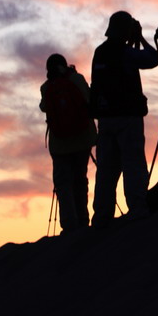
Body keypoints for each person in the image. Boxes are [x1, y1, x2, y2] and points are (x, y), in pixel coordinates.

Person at [91, 11, 158, 227]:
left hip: (105, 120)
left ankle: (102, 217)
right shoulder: (125, 52)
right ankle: (138, 210)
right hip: (127, 118)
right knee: (133, 165)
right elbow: (152, 59)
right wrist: (140, 39)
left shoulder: (100, 52)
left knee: (106, 172)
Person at [39, 53, 97, 233]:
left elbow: (43, 107)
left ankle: (69, 225)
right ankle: (83, 221)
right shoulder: (77, 79)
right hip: (82, 140)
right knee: (80, 180)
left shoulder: (46, 87)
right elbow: (89, 100)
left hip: (60, 145)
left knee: (63, 185)